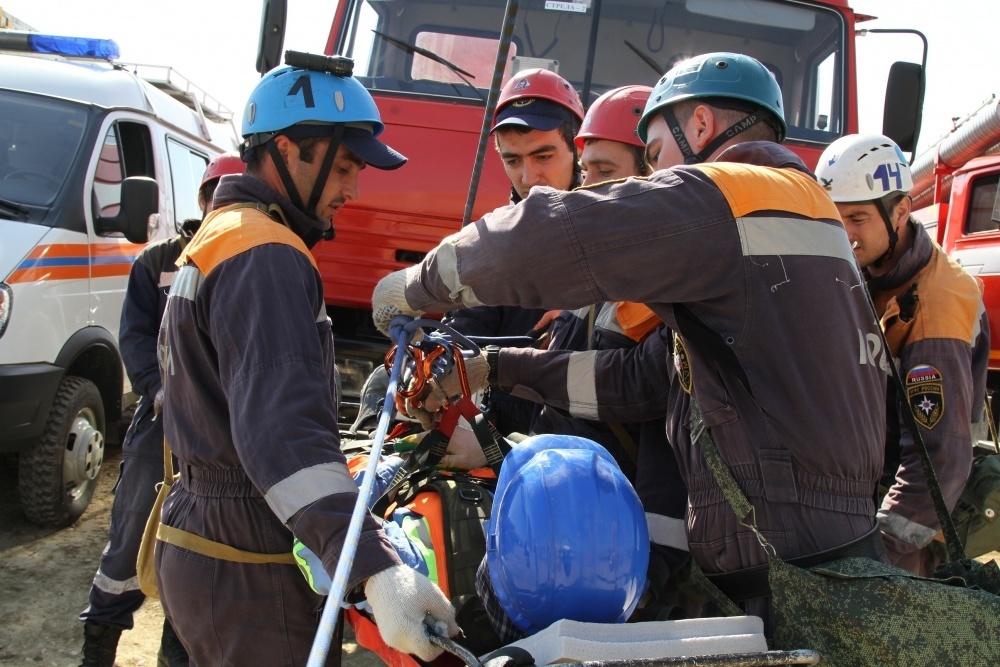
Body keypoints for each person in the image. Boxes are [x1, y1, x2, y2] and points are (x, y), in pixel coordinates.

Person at [372, 52, 890, 629]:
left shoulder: (728, 195)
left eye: (654, 153)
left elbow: (550, 236)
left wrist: (418, 286)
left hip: (779, 562)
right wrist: (494, 366)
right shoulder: (810, 212)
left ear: (698, 126)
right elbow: (644, 382)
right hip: (820, 550)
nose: (656, 174)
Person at [155, 59, 458, 666]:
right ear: (289, 149)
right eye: (344, 167)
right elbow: (283, 438)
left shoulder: (227, 233)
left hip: (209, 539)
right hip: (249, 557)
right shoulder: (266, 254)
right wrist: (373, 566)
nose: (354, 190)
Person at [77, 151, 245, 667]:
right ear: (202, 199)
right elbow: (134, 337)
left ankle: (175, 653)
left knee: (195, 550)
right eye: (215, 193)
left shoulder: (247, 260)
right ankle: (98, 648)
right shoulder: (158, 262)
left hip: (219, 439)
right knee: (129, 542)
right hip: (161, 432)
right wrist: (156, 390)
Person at [815, 134, 990, 576]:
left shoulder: (938, 301)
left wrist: (880, 557)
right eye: (833, 219)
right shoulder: (863, 271)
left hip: (916, 525)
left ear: (900, 212)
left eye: (857, 218)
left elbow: (939, 459)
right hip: (867, 499)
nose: (845, 234)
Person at [442, 67, 586, 436]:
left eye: (543, 156)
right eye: (513, 161)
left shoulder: (621, 235)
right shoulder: (490, 240)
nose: (528, 177)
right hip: (501, 434)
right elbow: (465, 328)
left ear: (577, 148)